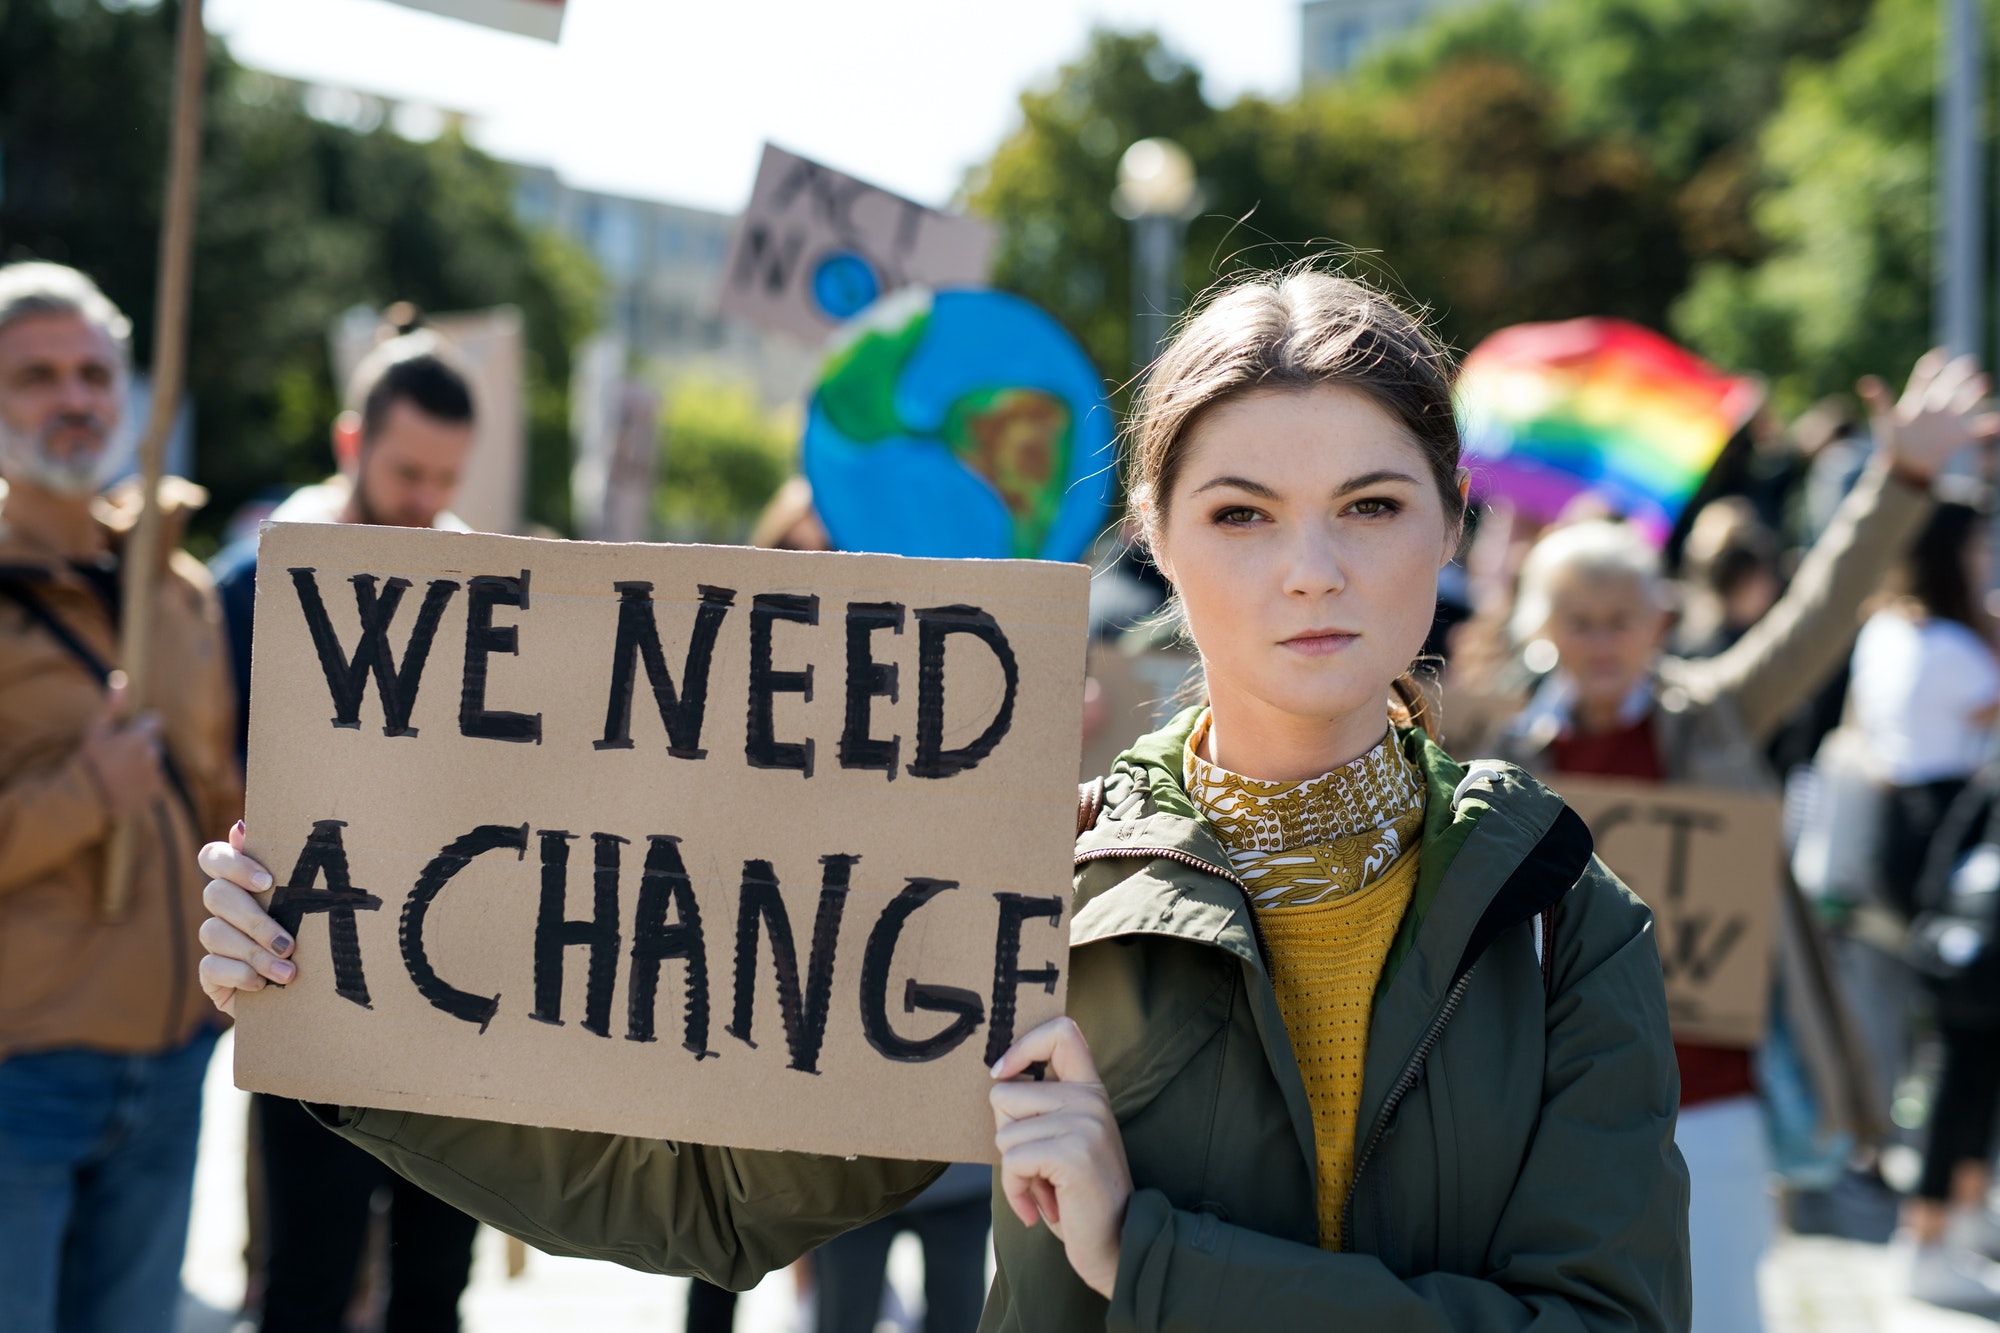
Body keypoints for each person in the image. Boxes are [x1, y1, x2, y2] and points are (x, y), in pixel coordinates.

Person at [196, 270, 1690, 1329]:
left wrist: (1141, 1252)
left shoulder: (1561, 917)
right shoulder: (1031, 867)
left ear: (1450, 522)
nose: (1313, 567)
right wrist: (340, 1009)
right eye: (1242, 512)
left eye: (1370, 504)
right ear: (1157, 542)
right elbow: (712, 1206)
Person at [1496, 348, 1990, 1332]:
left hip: (1705, 1092)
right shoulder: (1496, 749)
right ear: (1538, 626)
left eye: (1619, 618)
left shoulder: (1713, 715)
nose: (1599, 640)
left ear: (1658, 622)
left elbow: (1817, 616)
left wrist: (1899, 482)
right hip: (1543, 1089)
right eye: (1577, 619)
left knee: (1718, 1310)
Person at [209, 329, 483, 1333]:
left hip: (451, 1004)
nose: (423, 499)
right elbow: (210, 770)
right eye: (406, 471)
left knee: (430, 1290)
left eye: (445, 478)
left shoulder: (490, 595)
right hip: (305, 990)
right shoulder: (252, 589)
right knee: (306, 1283)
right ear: (350, 442)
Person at [0, 261, 242, 1331]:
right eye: (37, 376)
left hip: (172, 1062)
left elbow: (222, 791)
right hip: (19, 1074)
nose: (75, 399)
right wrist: (82, 794)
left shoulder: (176, 588)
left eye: (95, 373)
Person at [1847, 495, 2000, 1309]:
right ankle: (1935, 1224)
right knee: (1966, 1044)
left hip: (1901, 833)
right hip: (1954, 844)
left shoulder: (1889, 628)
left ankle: (1957, 1212)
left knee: (1959, 1039)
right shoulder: (1950, 643)